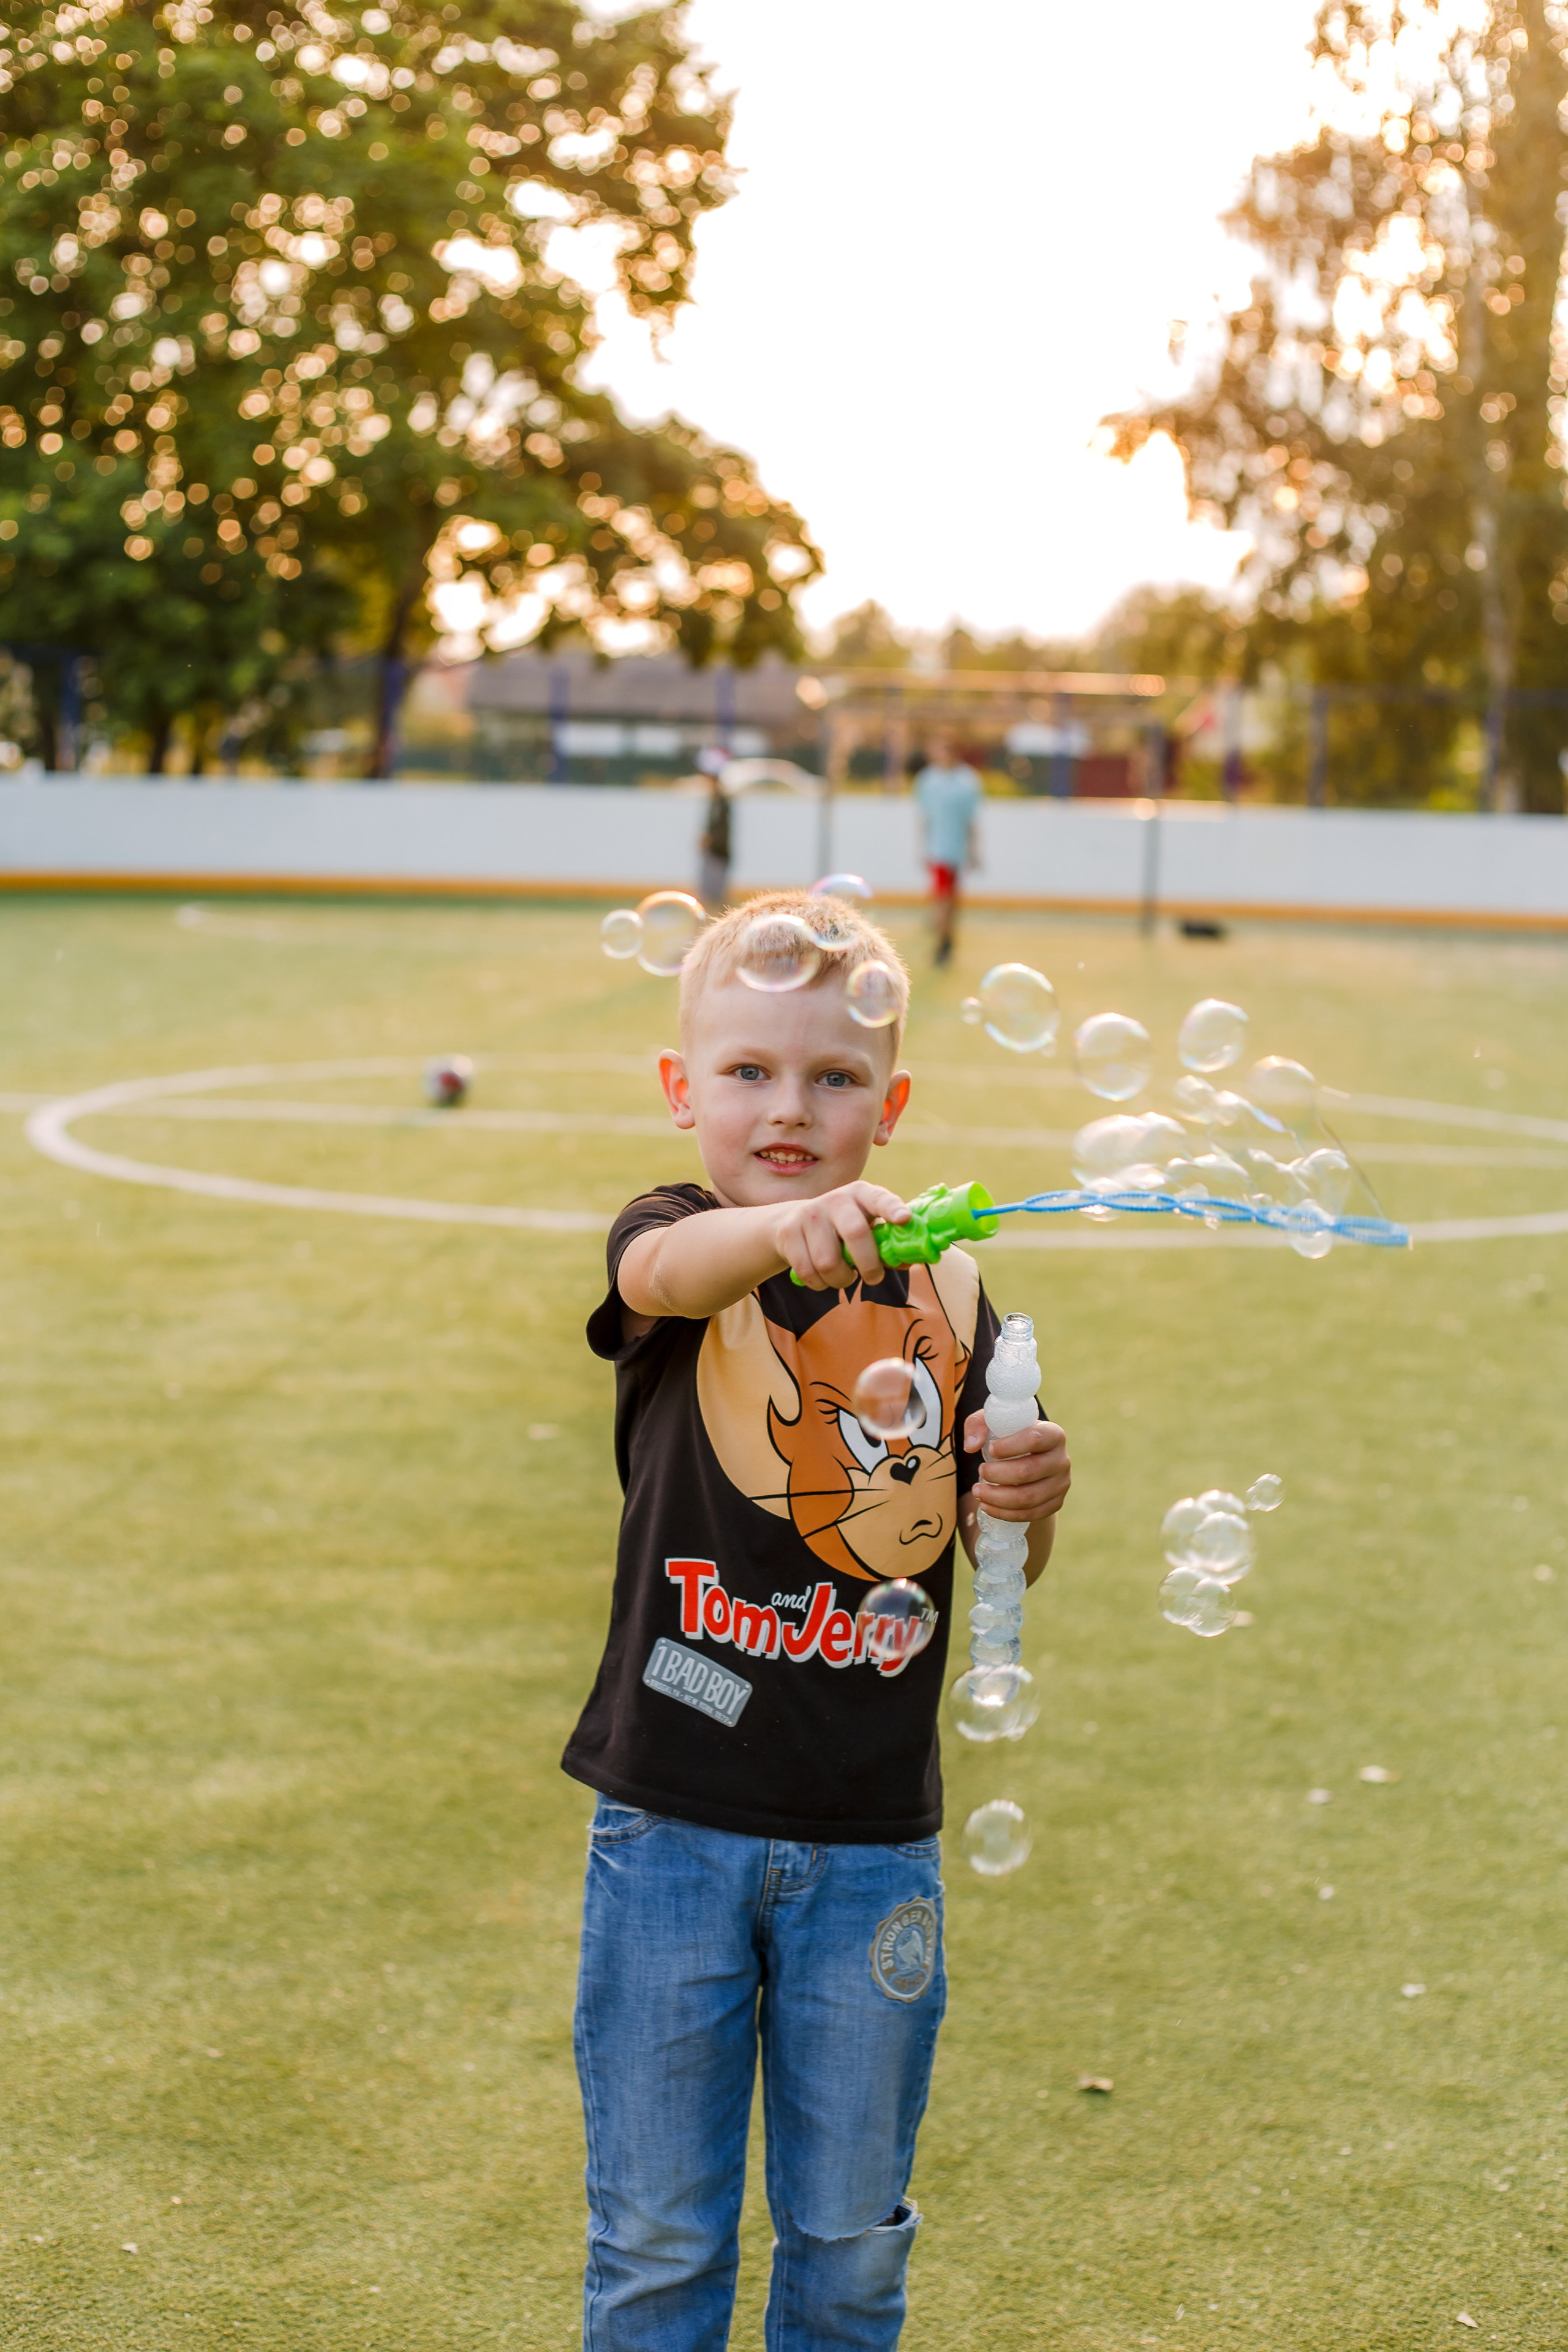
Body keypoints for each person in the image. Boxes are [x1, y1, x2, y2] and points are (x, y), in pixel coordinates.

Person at [565, 890, 1072, 2350]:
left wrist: (1027, 1496)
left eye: (834, 1076)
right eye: (747, 1072)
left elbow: (1001, 1568)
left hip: (871, 1851)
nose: (789, 1107)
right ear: (682, 1093)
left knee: (848, 2249)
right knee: (659, 2244)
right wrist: (786, 1226)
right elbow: (656, 1275)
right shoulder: (680, 1241)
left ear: (890, 1105)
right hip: (668, 1827)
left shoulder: (955, 1293)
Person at [911, 736, 982, 965]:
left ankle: (946, 935)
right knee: (942, 896)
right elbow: (924, 819)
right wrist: (923, 849)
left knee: (951, 898)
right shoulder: (928, 780)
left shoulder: (967, 781)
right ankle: (944, 941)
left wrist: (973, 850)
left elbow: (971, 820)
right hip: (937, 850)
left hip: (956, 848)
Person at [695, 746, 733, 912]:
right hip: (717, 853)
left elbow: (720, 830)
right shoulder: (718, 799)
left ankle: (707, 930)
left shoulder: (721, 799)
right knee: (711, 895)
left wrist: (708, 840)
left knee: (713, 896)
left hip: (717, 854)